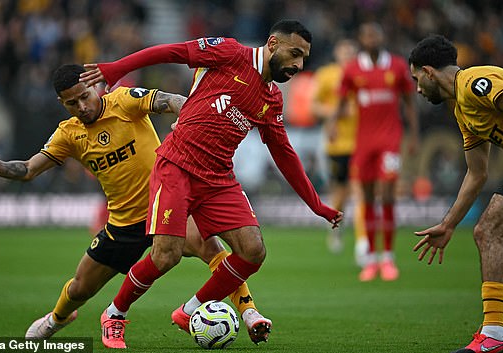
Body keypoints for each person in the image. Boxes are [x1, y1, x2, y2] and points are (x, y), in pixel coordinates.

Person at [0, 64, 271, 348]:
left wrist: (188, 116)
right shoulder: (69, 134)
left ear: (94, 86)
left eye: (84, 96)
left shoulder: (124, 101)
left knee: (214, 252)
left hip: (167, 204)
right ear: (62, 103)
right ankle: (56, 319)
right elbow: (28, 169)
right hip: (124, 223)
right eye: (72, 103)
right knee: (80, 288)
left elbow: (169, 99)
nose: (82, 106)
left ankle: (249, 314)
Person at [81, 19, 343, 348]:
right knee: (166, 256)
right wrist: (115, 69)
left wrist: (316, 205)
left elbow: (285, 154)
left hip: (218, 178)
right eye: (294, 54)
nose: (298, 65)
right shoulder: (230, 53)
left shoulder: (272, 99)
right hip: (177, 165)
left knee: (253, 251)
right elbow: (172, 51)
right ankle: (115, 314)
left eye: (304, 58)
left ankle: (190, 311)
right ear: (273, 45)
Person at [410, 34, 503, 353]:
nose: (417, 89)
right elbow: (477, 172)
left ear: (429, 72)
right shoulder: (462, 109)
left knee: (488, 231)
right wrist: (448, 224)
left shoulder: (474, 83)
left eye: (417, 79)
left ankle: (494, 336)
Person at [331, 22, 419, 281]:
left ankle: (388, 258)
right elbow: (341, 100)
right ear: (361, 39)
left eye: (375, 34)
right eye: (366, 34)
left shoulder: (397, 66)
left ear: (382, 37)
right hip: (363, 143)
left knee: (389, 195)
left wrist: (413, 136)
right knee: (367, 198)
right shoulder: (352, 69)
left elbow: (410, 103)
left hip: (390, 141)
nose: (371, 38)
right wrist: (334, 125)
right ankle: (370, 260)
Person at [312, 38, 369, 264]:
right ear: (336, 53)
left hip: (362, 144)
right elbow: (313, 107)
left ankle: (363, 242)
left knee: (360, 192)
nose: (347, 55)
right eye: (343, 51)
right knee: (340, 195)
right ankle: (336, 227)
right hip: (336, 145)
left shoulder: (362, 75)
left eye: (350, 52)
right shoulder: (326, 75)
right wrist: (335, 112)